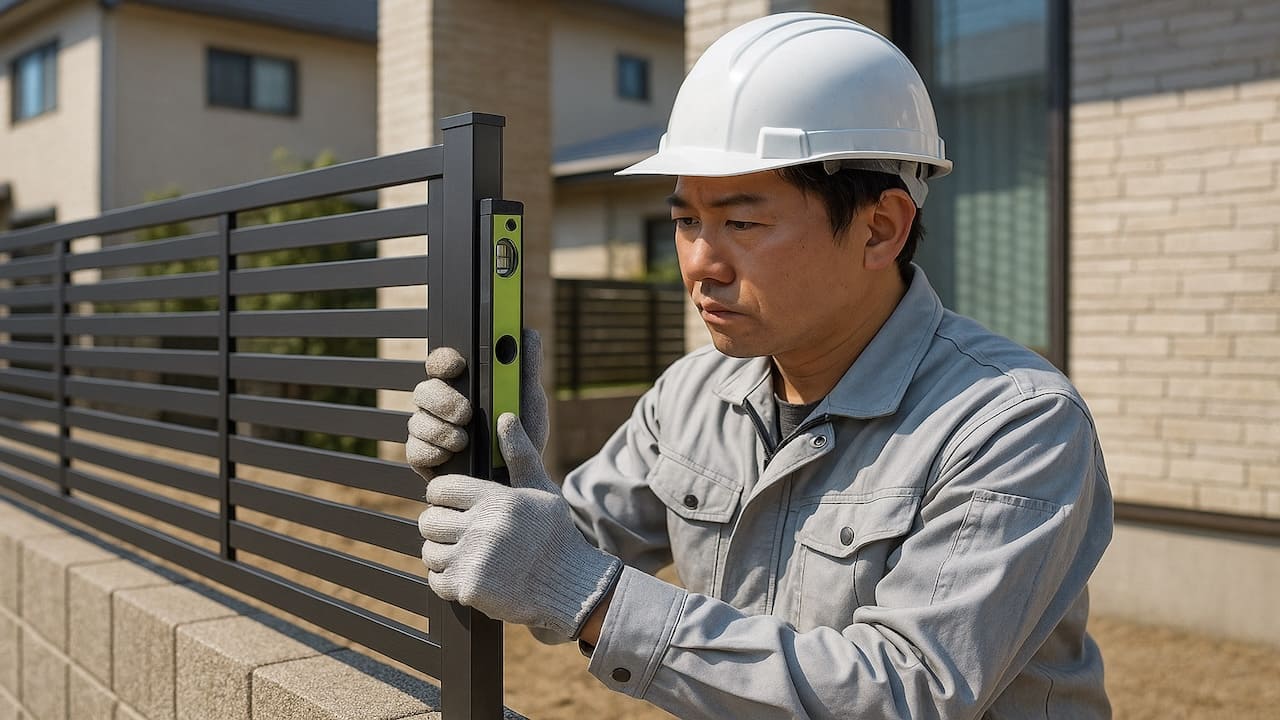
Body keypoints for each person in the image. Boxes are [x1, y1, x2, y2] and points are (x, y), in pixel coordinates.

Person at [407, 12, 1112, 719]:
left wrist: (585, 592)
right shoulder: (692, 395)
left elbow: (902, 694)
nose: (700, 265)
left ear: (880, 228)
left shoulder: (1014, 424)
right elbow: (563, 548)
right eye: (686, 222)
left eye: (742, 223)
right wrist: (492, 469)